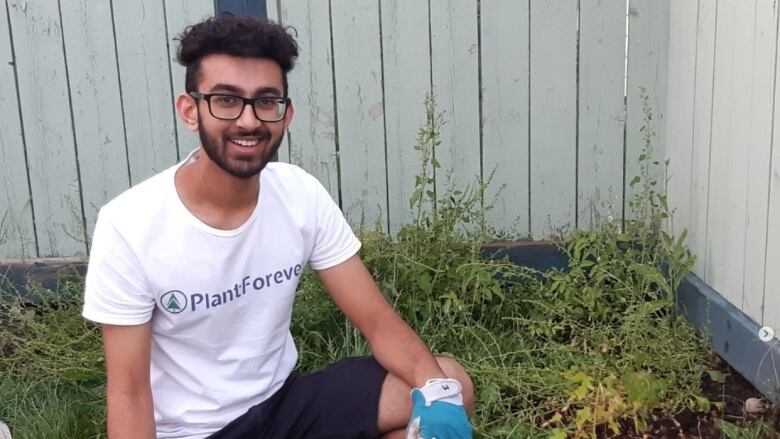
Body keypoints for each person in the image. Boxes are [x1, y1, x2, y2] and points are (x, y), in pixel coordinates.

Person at [82, 13, 474, 439]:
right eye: (226, 99)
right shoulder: (130, 224)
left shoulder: (299, 194)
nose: (249, 121)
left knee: (449, 384)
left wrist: (436, 391)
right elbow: (130, 394)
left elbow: (377, 322)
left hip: (283, 407)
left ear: (285, 115)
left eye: (266, 101)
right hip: (195, 432)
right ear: (190, 110)